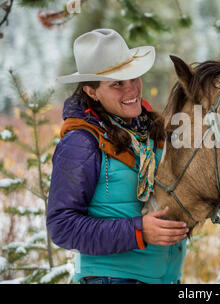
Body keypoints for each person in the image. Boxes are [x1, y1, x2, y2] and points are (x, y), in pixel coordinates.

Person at [47, 28, 188, 284]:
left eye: (134, 77)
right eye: (117, 84)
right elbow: (62, 226)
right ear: (91, 92)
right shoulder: (81, 143)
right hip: (110, 279)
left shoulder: (151, 131)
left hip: (166, 279)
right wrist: (139, 231)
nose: (132, 89)